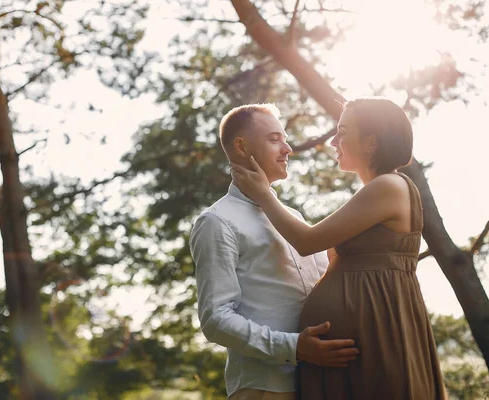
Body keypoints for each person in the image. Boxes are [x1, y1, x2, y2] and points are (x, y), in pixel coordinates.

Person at [231, 97, 447, 399]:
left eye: (343, 132)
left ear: (370, 143)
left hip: (377, 334)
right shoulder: (375, 191)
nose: (333, 140)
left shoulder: (389, 186)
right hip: (356, 341)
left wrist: (264, 195)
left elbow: (307, 241)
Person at [190, 104, 360, 400]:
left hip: (319, 383)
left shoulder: (293, 217)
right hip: (265, 387)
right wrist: (293, 348)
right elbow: (215, 318)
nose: (288, 148)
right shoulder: (217, 221)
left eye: (285, 138)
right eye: (274, 139)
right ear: (241, 147)